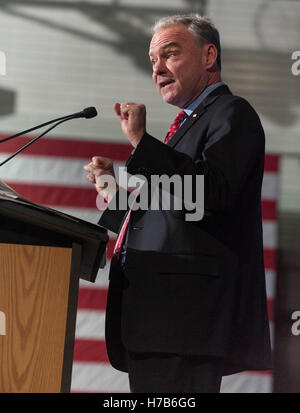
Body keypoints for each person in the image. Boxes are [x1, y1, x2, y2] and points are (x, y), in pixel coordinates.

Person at [84, 14, 272, 393]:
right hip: (159, 320)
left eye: (170, 55)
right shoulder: (186, 127)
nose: (158, 69)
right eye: (153, 60)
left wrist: (142, 143)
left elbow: (212, 193)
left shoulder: (232, 113)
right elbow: (174, 207)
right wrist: (114, 191)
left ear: (208, 56)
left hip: (184, 320)